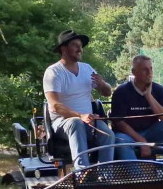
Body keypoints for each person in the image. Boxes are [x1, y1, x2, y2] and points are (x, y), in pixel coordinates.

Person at [43, 30, 116, 169]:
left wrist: (101, 84)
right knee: (75, 123)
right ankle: (82, 172)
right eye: (75, 45)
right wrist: (80, 116)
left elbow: (107, 92)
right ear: (63, 49)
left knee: (108, 133)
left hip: (88, 120)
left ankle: (106, 174)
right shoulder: (53, 72)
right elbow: (55, 106)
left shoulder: (87, 69)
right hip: (62, 122)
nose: (80, 49)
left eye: (80, 46)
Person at [111, 56, 163, 161]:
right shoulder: (121, 92)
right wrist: (142, 141)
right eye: (145, 69)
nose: (149, 72)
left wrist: (149, 96)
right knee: (121, 142)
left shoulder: (158, 90)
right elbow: (120, 124)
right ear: (134, 72)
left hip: (150, 131)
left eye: (151, 68)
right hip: (127, 134)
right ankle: (137, 176)